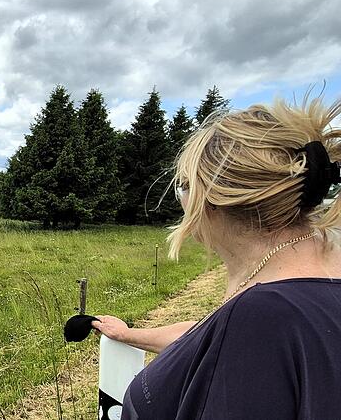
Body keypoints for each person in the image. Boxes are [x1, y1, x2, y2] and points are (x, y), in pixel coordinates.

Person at [92, 97, 341, 419]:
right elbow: (209, 341)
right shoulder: (305, 286)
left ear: (208, 197)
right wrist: (128, 335)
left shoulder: (262, 313)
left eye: (184, 186)